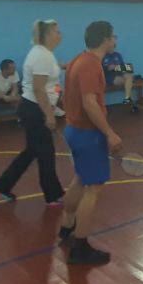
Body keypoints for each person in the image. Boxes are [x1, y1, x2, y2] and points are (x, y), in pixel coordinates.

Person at [57, 20, 124, 266]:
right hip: (88, 134)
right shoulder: (90, 65)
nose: (115, 40)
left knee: (79, 179)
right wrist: (109, 133)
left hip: (74, 130)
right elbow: (90, 104)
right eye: (113, 36)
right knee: (93, 188)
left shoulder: (78, 59)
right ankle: (80, 247)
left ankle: (66, 228)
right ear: (105, 39)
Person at [0, 19, 66, 206]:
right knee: (46, 153)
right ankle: (52, 195)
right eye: (57, 31)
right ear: (47, 35)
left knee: (32, 151)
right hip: (35, 110)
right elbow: (39, 89)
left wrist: (65, 66)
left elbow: (48, 78)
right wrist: (49, 114)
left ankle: (2, 185)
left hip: (34, 108)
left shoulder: (45, 54)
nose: (60, 34)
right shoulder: (42, 56)